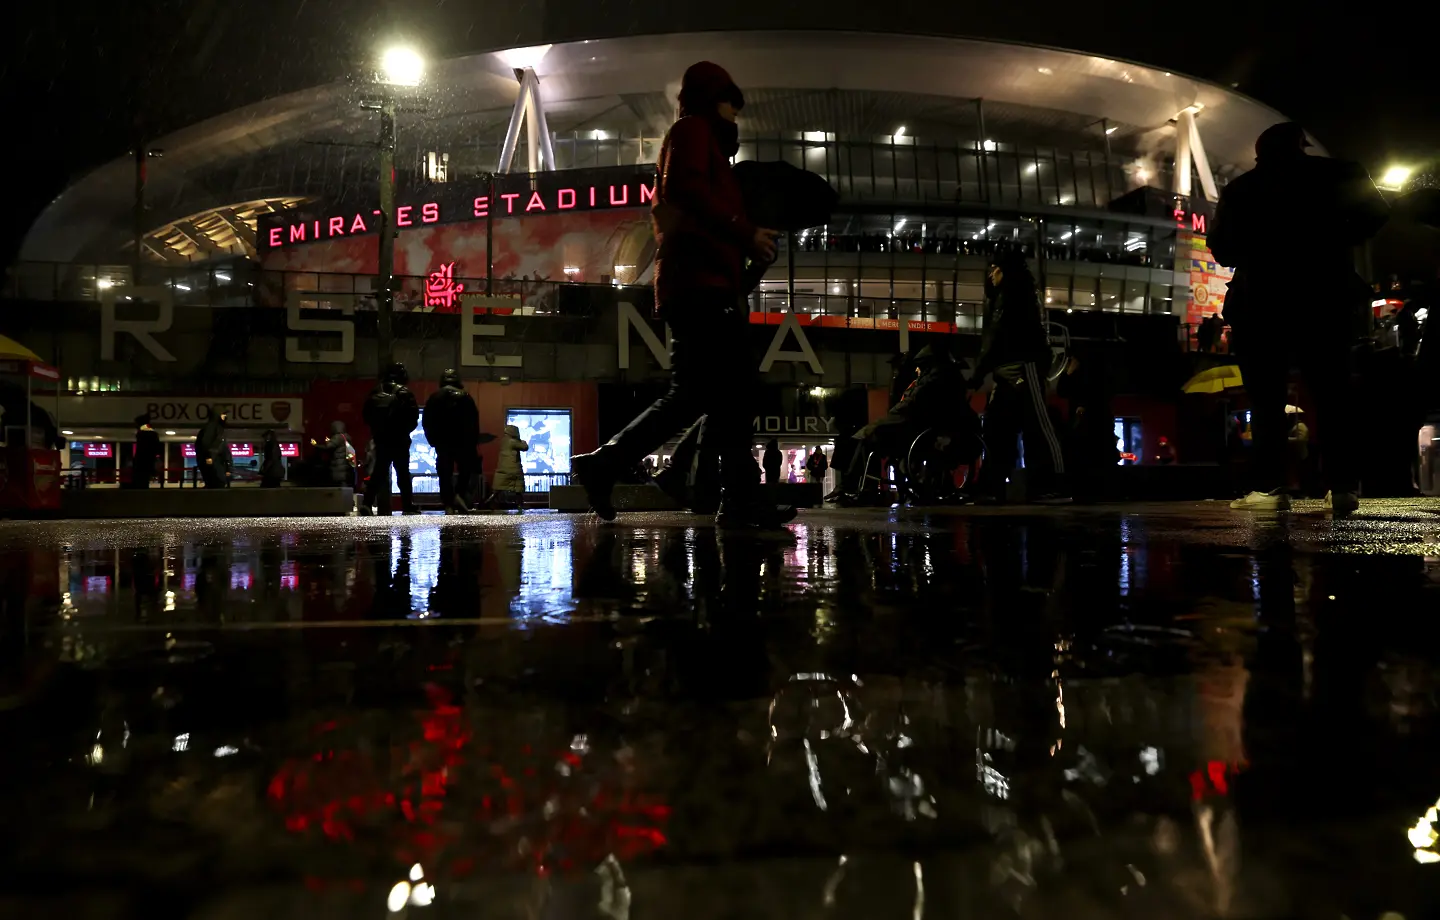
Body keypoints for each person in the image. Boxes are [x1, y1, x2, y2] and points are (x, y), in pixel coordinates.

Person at [569, 60, 786, 529]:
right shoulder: (692, 132)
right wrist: (745, 232)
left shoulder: (703, 143)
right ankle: (737, 500)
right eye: (730, 104)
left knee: (708, 394)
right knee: (727, 392)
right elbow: (685, 192)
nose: (735, 115)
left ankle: (609, 465)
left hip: (698, 284)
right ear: (711, 99)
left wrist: (748, 248)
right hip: (699, 286)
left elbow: (698, 212)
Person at [1208, 122, 1389, 516]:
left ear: (1260, 153)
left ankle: (1270, 486)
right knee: (1332, 391)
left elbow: (1221, 248)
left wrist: (1261, 246)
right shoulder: (1341, 173)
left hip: (1261, 301)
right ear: (1301, 145)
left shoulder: (1242, 189)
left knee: (1265, 397)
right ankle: (1342, 486)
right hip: (1324, 295)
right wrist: (1331, 237)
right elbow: (1375, 216)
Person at [971, 248, 1069, 504]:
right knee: (1002, 428)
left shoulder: (1011, 296)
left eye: (994, 269)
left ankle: (1048, 485)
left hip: (1022, 367)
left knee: (1033, 427)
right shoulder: (1008, 295)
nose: (991, 274)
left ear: (1004, 270)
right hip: (1011, 370)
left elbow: (993, 340)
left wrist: (976, 377)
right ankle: (1000, 487)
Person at [835, 341, 970, 502]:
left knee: (868, 437)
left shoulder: (934, 379)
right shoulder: (940, 377)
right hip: (917, 427)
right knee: (866, 437)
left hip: (916, 429)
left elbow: (913, 403)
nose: (916, 369)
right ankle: (854, 486)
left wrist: (893, 414)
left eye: (919, 366)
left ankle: (852, 486)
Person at [363, 362, 420, 515]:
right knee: (403, 473)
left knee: (378, 472)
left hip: (382, 440)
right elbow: (413, 418)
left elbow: (366, 415)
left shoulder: (375, 391)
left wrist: (378, 432)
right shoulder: (405, 392)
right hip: (400, 440)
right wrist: (402, 431)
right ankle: (407, 505)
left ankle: (367, 503)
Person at [423, 368, 482, 513]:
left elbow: (427, 422)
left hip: (442, 442)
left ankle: (448, 502)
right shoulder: (466, 397)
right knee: (464, 471)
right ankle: (460, 495)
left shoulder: (434, 397)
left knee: (444, 473)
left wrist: (432, 440)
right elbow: (473, 422)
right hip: (463, 442)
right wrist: (472, 442)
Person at [491, 424, 529, 509]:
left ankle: (488, 502)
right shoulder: (513, 441)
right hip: (514, 470)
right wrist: (523, 441)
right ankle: (520, 506)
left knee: (497, 490)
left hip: (502, 470)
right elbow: (525, 447)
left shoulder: (503, 441)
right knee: (518, 489)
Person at [195, 409, 229, 489]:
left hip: (214, 460)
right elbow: (206, 443)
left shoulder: (216, 428)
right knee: (216, 483)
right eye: (223, 414)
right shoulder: (213, 427)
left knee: (216, 483)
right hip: (213, 461)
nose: (225, 416)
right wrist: (209, 456)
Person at [130, 413, 161, 489]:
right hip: (147, 461)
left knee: (140, 480)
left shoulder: (143, 433)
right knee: (144, 480)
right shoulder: (151, 433)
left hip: (142, 461)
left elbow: (141, 449)